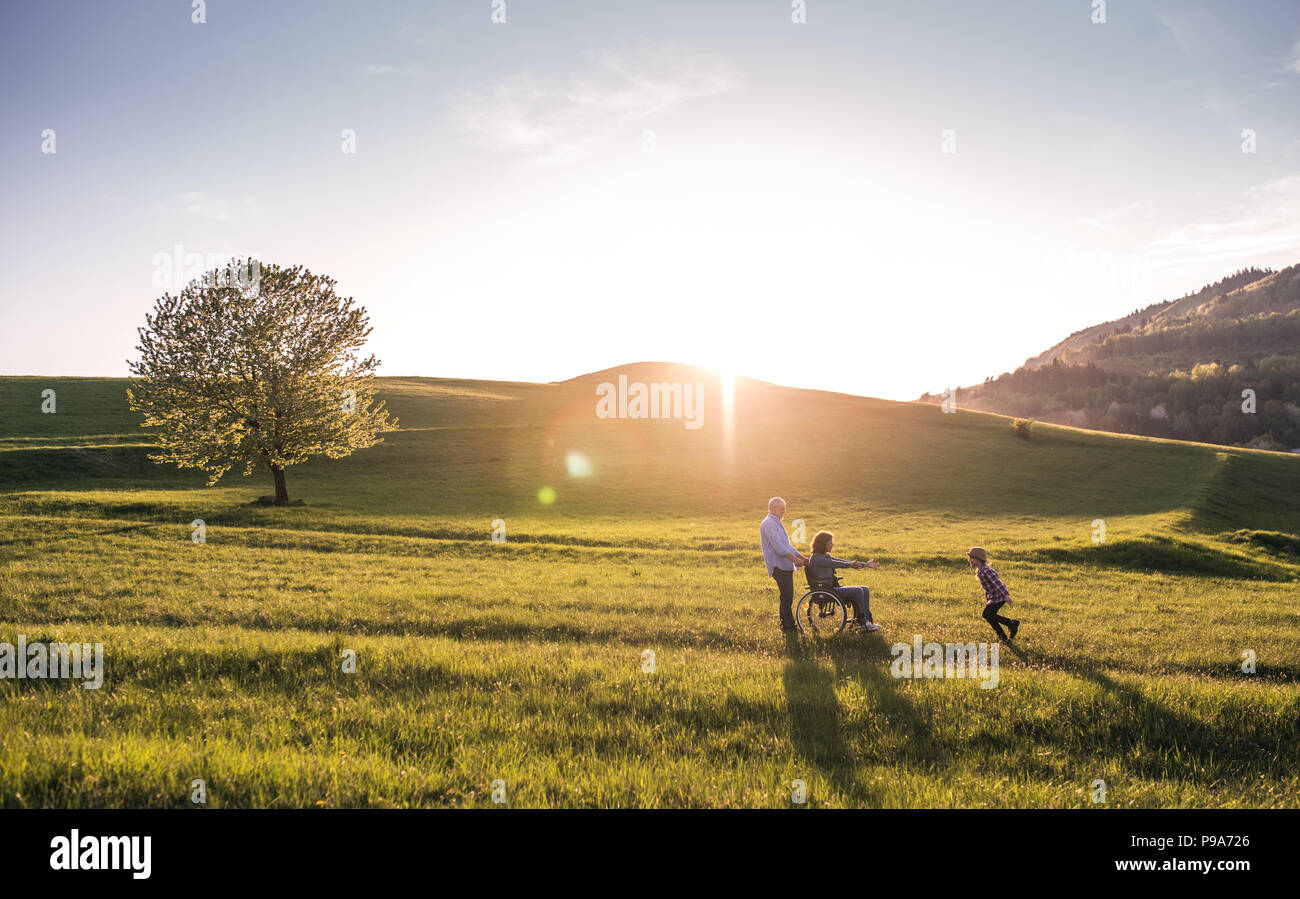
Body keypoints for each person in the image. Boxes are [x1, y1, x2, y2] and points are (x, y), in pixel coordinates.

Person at [806, 530, 881, 632]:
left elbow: (842, 561)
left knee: (865, 589)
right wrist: (849, 565)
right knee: (858, 591)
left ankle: (866, 622)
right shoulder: (815, 558)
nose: (832, 545)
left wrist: (865, 564)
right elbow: (834, 564)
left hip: (831, 589)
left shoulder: (825, 556)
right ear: (823, 544)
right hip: (826, 591)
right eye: (830, 543)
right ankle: (862, 623)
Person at [759, 497, 808, 633]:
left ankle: (786, 624)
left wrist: (802, 557)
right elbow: (778, 546)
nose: (784, 512)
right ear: (773, 509)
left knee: (787, 595)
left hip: (783, 564)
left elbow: (787, 545)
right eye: (781, 509)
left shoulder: (776, 522)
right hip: (777, 564)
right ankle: (788, 626)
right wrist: (794, 559)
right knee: (786, 596)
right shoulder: (769, 523)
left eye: (784, 509)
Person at [967, 546, 1020, 642]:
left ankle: (1011, 623)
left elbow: (998, 584)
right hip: (994, 598)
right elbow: (989, 588)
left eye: (971, 558)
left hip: (999, 598)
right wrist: (988, 600)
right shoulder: (980, 571)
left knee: (987, 615)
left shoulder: (987, 571)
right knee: (989, 616)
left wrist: (1006, 596)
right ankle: (1004, 637)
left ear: (978, 559)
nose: (969, 560)